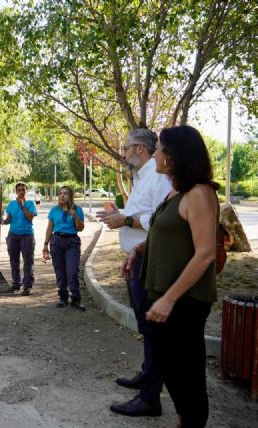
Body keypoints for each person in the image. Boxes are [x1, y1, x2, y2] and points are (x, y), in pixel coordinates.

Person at [124, 126, 218, 427]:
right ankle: (183, 419)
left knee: (186, 373)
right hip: (161, 290)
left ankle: (189, 421)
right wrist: (138, 250)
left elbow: (205, 253)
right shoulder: (176, 190)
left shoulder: (200, 194)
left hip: (185, 300)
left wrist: (169, 298)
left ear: (177, 155)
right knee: (168, 365)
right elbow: (166, 233)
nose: (158, 154)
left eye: (162, 149)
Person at [101, 129, 171, 417]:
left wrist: (126, 219)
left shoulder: (159, 177)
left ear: (140, 148)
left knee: (152, 329)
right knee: (145, 326)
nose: (124, 152)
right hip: (137, 258)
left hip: (150, 261)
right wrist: (120, 215)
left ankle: (150, 397)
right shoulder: (142, 177)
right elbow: (140, 215)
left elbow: (160, 219)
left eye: (127, 147)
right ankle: (147, 376)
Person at [42, 186, 86, 311]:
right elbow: (50, 228)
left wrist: (75, 216)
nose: (62, 196)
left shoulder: (77, 209)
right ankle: (63, 298)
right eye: (60, 193)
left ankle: (76, 299)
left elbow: (81, 228)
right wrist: (45, 244)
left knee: (72, 271)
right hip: (56, 241)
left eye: (65, 193)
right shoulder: (54, 210)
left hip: (72, 242)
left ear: (70, 196)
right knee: (60, 272)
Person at [0, 182, 37, 296]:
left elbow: (30, 218)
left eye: (23, 190)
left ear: (26, 191)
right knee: (14, 260)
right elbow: (9, 219)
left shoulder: (30, 203)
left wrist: (22, 206)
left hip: (27, 235)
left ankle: (27, 286)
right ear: (16, 192)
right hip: (13, 235)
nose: (21, 192)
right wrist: (2, 221)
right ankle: (16, 283)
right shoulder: (11, 204)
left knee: (28, 261)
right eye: (19, 190)